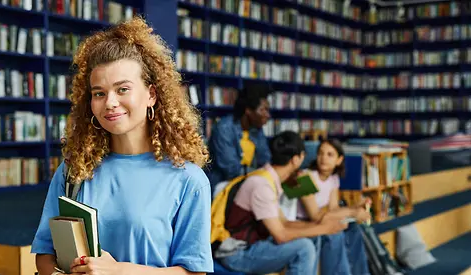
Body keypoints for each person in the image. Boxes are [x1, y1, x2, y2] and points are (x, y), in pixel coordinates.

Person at [31, 17, 213, 275]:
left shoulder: (188, 180)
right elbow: (46, 254)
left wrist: (118, 271)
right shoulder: (74, 171)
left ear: (151, 95)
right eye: (99, 93)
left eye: (123, 89)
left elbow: (193, 272)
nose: (110, 103)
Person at [217, 131, 349, 275]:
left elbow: (284, 223)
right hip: (237, 253)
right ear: (297, 159)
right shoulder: (262, 185)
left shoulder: (268, 178)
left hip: (254, 244)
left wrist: (319, 227)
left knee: (312, 237)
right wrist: (325, 229)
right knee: (304, 248)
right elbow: (280, 235)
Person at [298, 139, 371, 275]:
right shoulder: (305, 177)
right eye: (320, 153)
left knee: (354, 229)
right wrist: (352, 212)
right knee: (335, 233)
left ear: (339, 160)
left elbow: (334, 209)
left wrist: (356, 208)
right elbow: (315, 215)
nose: (323, 158)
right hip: (302, 222)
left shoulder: (333, 179)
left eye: (330, 155)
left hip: (321, 218)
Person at [206, 84, 272, 190]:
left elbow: (265, 159)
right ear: (248, 111)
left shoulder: (256, 130)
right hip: (223, 185)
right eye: (263, 110)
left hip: (248, 181)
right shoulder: (224, 128)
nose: (268, 115)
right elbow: (231, 170)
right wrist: (263, 174)